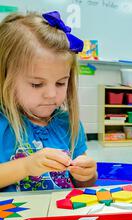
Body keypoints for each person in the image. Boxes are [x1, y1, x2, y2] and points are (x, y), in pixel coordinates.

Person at [0, 11, 97, 192]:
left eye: (61, 83)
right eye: (37, 84)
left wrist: (88, 175)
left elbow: (84, 185)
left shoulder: (67, 124)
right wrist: (25, 167)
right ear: (5, 78)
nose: (52, 94)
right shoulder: (3, 125)